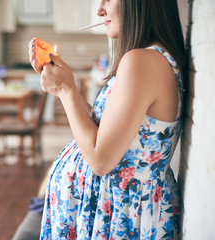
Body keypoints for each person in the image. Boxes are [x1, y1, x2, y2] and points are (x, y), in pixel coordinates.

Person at [28, 0, 186, 239]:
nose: (100, 10)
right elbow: (105, 130)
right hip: (113, 213)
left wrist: (65, 90)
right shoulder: (150, 59)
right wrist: (66, 82)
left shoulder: (143, 61)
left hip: (119, 218)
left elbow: (101, 160)